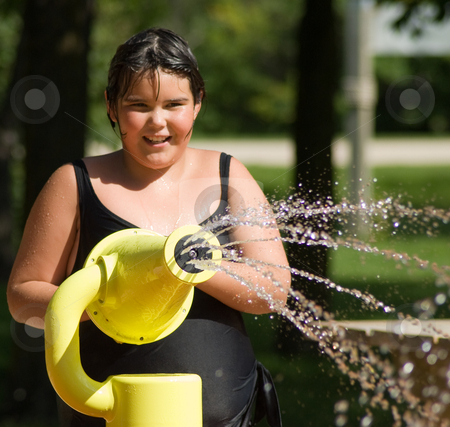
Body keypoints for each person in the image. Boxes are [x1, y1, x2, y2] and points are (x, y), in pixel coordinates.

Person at [7, 27, 291, 427]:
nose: (157, 122)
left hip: (227, 417)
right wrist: (105, 298)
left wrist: (199, 267)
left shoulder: (229, 178)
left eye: (174, 104)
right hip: (106, 412)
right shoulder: (74, 184)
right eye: (138, 105)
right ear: (111, 106)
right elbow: (22, 298)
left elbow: (274, 290)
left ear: (197, 104)